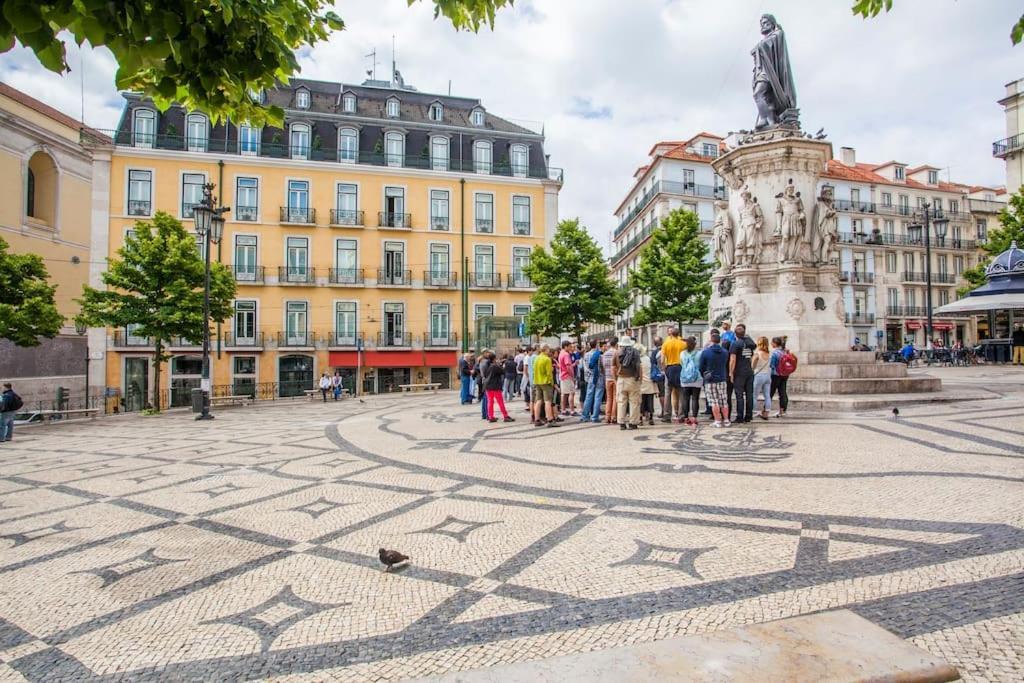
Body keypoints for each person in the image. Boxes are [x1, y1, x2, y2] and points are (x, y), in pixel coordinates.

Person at [699, 332, 731, 428]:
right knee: (724, 400)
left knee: (714, 401)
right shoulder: (725, 352)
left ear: (711, 340)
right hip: (722, 377)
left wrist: (704, 375)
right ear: (720, 341)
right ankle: (726, 420)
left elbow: (701, 367)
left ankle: (717, 420)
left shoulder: (706, 352)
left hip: (710, 379)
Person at [728, 323, 756, 423]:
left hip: (739, 371)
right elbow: (752, 356)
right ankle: (749, 415)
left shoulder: (735, 344)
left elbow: (733, 359)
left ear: (735, 334)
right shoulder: (749, 344)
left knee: (739, 395)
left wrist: (731, 372)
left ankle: (740, 416)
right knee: (749, 394)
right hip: (749, 370)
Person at [613, 335, 642, 430]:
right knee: (634, 401)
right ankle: (633, 423)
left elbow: (613, 367)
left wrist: (616, 378)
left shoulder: (617, 353)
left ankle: (621, 422)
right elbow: (639, 366)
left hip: (621, 379)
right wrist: (640, 378)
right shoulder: (635, 352)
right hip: (633, 379)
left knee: (621, 401)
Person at [660, 327, 685, 423]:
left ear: (671, 334)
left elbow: (662, 360)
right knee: (681, 392)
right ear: (678, 334)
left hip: (669, 368)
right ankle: (681, 415)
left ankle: (667, 415)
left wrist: (664, 369)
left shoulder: (666, 344)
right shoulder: (683, 344)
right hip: (680, 368)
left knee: (667, 393)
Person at [532, 343, 559, 427]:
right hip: (546, 382)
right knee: (548, 401)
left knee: (538, 400)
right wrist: (553, 383)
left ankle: (536, 419)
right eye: (548, 349)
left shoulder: (536, 358)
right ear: (546, 349)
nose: (549, 350)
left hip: (537, 381)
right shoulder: (547, 359)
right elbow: (549, 374)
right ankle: (550, 420)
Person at [484, 352, 514, 423]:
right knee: (500, 402)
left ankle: (490, 416)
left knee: (490, 402)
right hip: (495, 386)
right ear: (494, 359)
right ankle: (505, 416)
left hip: (488, 386)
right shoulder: (494, 366)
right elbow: (503, 371)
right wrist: (502, 365)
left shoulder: (487, 365)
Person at [680, 336, 703, 426]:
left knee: (685, 398)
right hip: (697, 378)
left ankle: (686, 418)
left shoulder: (682, 353)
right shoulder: (699, 353)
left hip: (685, 378)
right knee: (695, 398)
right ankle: (694, 417)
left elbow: (682, 364)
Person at [582, 340, 606, 423]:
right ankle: (595, 416)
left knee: (588, 396)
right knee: (598, 397)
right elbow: (603, 367)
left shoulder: (586, 355)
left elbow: (585, 367)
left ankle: (585, 415)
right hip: (599, 377)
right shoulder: (599, 355)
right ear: (596, 345)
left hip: (590, 377)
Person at [751, 336, 773, 420]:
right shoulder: (769, 354)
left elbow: (752, 367)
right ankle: (766, 413)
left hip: (758, 375)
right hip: (767, 375)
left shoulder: (757, 354)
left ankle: (753, 411)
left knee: (754, 395)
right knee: (767, 395)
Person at [769, 337, 791, 418]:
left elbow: (772, 365)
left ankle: (766, 410)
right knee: (782, 392)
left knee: (770, 392)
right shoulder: (785, 352)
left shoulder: (775, 353)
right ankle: (783, 411)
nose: (771, 344)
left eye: (772, 342)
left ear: (775, 343)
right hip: (785, 374)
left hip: (775, 375)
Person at [557, 341, 578, 416]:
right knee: (571, 393)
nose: (571, 348)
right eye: (569, 346)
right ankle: (572, 410)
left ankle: (563, 410)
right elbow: (568, 366)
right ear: (565, 346)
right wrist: (572, 376)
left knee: (564, 394)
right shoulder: (566, 354)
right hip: (567, 376)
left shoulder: (561, 353)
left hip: (562, 375)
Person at [638, 343, 657, 427]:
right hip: (649, 382)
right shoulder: (647, 359)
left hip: (641, 383)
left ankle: (640, 418)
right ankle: (651, 418)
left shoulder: (637, 359)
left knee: (641, 402)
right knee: (650, 401)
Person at [602, 337, 619, 424]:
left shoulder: (605, 354)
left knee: (609, 398)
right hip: (615, 378)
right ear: (616, 344)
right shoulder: (617, 353)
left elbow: (603, 366)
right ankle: (614, 417)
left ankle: (607, 416)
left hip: (607, 377)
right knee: (615, 398)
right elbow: (617, 366)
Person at [650, 336, 667, 419]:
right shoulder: (666, 349)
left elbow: (652, 364)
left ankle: (664, 411)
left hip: (660, 375)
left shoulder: (654, 352)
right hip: (668, 373)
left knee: (662, 394)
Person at [475, 351, 491, 420]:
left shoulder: (481, 362)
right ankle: (487, 414)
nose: (488, 354)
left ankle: (484, 414)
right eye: (487, 353)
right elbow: (486, 373)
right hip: (486, 381)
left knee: (485, 398)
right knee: (487, 398)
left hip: (483, 381)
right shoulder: (485, 362)